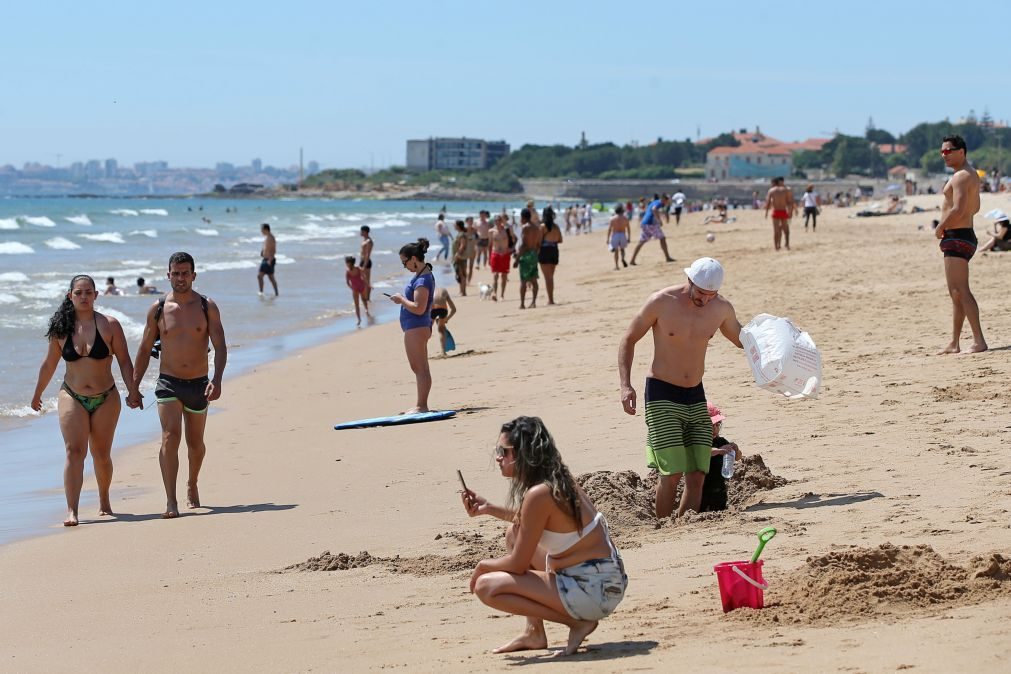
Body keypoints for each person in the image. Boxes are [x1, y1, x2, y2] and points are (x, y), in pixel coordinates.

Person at [463, 416, 627, 657]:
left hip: (595, 591)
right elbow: (527, 521)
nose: (498, 457)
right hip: (605, 579)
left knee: (486, 586)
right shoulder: (556, 479)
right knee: (514, 533)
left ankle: (577, 623)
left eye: (504, 451)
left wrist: (482, 565)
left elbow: (518, 565)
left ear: (524, 454)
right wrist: (488, 508)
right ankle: (534, 632)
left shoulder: (539, 494)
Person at [618, 257, 744, 518]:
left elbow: (742, 340)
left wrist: (776, 342)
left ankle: (686, 527)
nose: (705, 300)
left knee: (698, 470)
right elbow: (628, 339)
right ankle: (663, 528)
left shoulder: (721, 308)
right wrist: (625, 386)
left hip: (695, 395)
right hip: (661, 393)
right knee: (672, 472)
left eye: (712, 295)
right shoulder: (662, 302)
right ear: (690, 281)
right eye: (701, 293)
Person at [31, 275, 141, 526]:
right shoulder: (61, 329)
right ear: (70, 295)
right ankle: (72, 510)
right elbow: (50, 364)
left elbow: (124, 360)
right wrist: (37, 393)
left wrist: (133, 390)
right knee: (74, 451)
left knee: (101, 454)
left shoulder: (110, 325)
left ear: (95, 295)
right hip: (72, 395)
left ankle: (104, 499)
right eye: (78, 292)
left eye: (88, 292)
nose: (83, 296)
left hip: (106, 397)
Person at [133, 252, 227, 519]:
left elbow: (220, 346)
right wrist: (133, 386)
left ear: (194, 275)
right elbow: (143, 348)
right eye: (176, 273)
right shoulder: (159, 309)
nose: (181, 278)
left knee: (196, 444)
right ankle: (170, 501)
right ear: (168, 275)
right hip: (168, 383)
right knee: (169, 437)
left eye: (186, 273)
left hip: (199, 383)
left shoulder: (206, 306)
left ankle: (192, 482)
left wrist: (217, 380)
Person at [935, 135, 987, 354]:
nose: (944, 155)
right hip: (964, 234)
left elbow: (958, 209)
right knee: (956, 292)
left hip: (957, 235)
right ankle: (955, 342)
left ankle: (979, 341)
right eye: (942, 152)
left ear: (961, 152)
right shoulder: (970, 175)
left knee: (960, 290)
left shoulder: (961, 176)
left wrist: (940, 227)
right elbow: (975, 208)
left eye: (948, 151)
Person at [389, 239, 434, 412]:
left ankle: (421, 405)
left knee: (419, 368)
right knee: (420, 367)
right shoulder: (422, 275)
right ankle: (421, 404)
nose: (404, 266)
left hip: (417, 327)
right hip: (417, 327)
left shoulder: (422, 280)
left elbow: (418, 308)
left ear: (414, 258)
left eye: (404, 262)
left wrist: (401, 299)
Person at [699, 401, 743, 512]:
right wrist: (718, 451)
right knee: (701, 508)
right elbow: (702, 452)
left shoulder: (721, 441)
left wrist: (735, 450)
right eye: (710, 426)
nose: (715, 429)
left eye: (717, 425)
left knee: (720, 506)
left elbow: (738, 458)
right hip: (701, 488)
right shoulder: (699, 442)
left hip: (719, 486)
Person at [629, 194, 674, 265]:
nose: (668, 202)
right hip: (650, 224)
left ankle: (632, 260)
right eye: (668, 200)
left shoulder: (656, 201)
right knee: (662, 238)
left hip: (644, 223)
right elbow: (654, 209)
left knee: (641, 242)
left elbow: (651, 209)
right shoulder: (660, 203)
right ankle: (667, 257)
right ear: (664, 199)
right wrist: (659, 220)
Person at [515, 208, 542, 309]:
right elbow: (539, 244)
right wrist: (535, 254)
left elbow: (523, 245)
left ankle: (522, 304)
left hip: (526, 255)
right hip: (534, 254)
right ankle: (534, 302)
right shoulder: (537, 228)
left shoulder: (525, 228)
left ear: (522, 217)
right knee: (534, 280)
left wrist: (517, 259)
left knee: (523, 281)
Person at [538, 206, 563, 305]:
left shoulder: (542, 226)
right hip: (554, 250)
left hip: (544, 251)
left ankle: (550, 300)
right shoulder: (556, 227)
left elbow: (539, 242)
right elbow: (560, 240)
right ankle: (551, 299)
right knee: (551, 277)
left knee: (547, 277)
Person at [764, 177, 793, 251]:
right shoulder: (785, 190)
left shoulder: (771, 190)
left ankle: (776, 247)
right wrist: (790, 212)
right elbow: (789, 202)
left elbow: (768, 203)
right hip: (783, 211)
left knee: (776, 230)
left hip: (775, 211)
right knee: (786, 229)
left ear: (774, 183)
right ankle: (787, 244)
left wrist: (766, 212)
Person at [489, 216, 512, 301]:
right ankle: (494, 293)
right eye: (496, 220)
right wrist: (489, 258)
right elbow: (490, 245)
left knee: (504, 275)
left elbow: (514, 239)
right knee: (495, 275)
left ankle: (502, 295)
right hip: (495, 254)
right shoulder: (491, 231)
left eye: (499, 220)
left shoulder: (507, 230)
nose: (497, 222)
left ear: (502, 221)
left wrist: (511, 249)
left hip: (505, 254)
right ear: (494, 221)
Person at [430, 287, 457, 356]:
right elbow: (453, 309)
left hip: (432, 309)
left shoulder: (429, 290)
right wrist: (446, 319)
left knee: (427, 330)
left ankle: (423, 352)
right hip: (443, 310)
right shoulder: (444, 290)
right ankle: (443, 352)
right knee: (441, 330)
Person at [344, 256, 370, 326]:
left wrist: (352, 288)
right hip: (359, 287)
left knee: (360, 303)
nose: (346, 264)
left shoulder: (352, 270)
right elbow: (363, 278)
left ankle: (362, 315)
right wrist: (368, 285)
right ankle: (363, 315)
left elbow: (348, 282)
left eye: (347, 263)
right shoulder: (354, 270)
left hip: (358, 288)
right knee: (361, 302)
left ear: (350, 263)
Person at [606, 204, 630, 270]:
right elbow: (628, 228)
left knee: (616, 251)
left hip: (615, 235)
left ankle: (616, 266)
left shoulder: (612, 219)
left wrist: (608, 239)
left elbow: (609, 229)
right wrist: (629, 237)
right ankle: (622, 258)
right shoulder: (625, 218)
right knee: (622, 249)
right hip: (622, 234)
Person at [257, 223, 278, 296]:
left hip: (269, 260)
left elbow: (273, 250)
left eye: (262, 230)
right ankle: (274, 293)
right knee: (269, 277)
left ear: (266, 229)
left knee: (262, 276)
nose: (261, 231)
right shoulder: (267, 237)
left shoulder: (271, 238)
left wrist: (270, 260)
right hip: (265, 259)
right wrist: (262, 251)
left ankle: (261, 292)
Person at [452, 220, 469, 296]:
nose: (453, 225)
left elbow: (462, 245)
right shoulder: (459, 234)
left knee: (462, 274)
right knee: (460, 274)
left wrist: (457, 255)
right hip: (458, 257)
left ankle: (463, 292)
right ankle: (461, 291)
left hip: (460, 258)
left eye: (455, 224)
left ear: (458, 226)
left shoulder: (462, 235)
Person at [359, 225, 374, 303]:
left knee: (367, 281)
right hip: (362, 261)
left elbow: (368, 254)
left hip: (366, 262)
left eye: (361, 231)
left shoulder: (369, 241)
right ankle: (365, 297)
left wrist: (364, 265)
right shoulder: (364, 240)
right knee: (363, 280)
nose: (360, 232)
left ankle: (368, 299)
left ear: (365, 231)